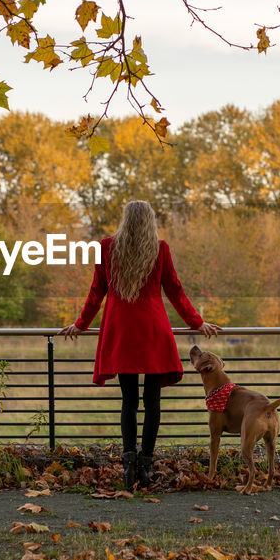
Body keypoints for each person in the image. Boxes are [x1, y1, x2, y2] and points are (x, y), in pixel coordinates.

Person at [61, 200, 220, 490]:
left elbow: (96, 292)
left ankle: (129, 468)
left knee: (129, 402)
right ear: (150, 221)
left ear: (125, 219)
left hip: (121, 330)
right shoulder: (159, 249)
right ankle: (146, 468)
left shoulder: (107, 247)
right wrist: (197, 322)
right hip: (152, 329)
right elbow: (174, 290)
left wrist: (81, 324)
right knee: (153, 402)